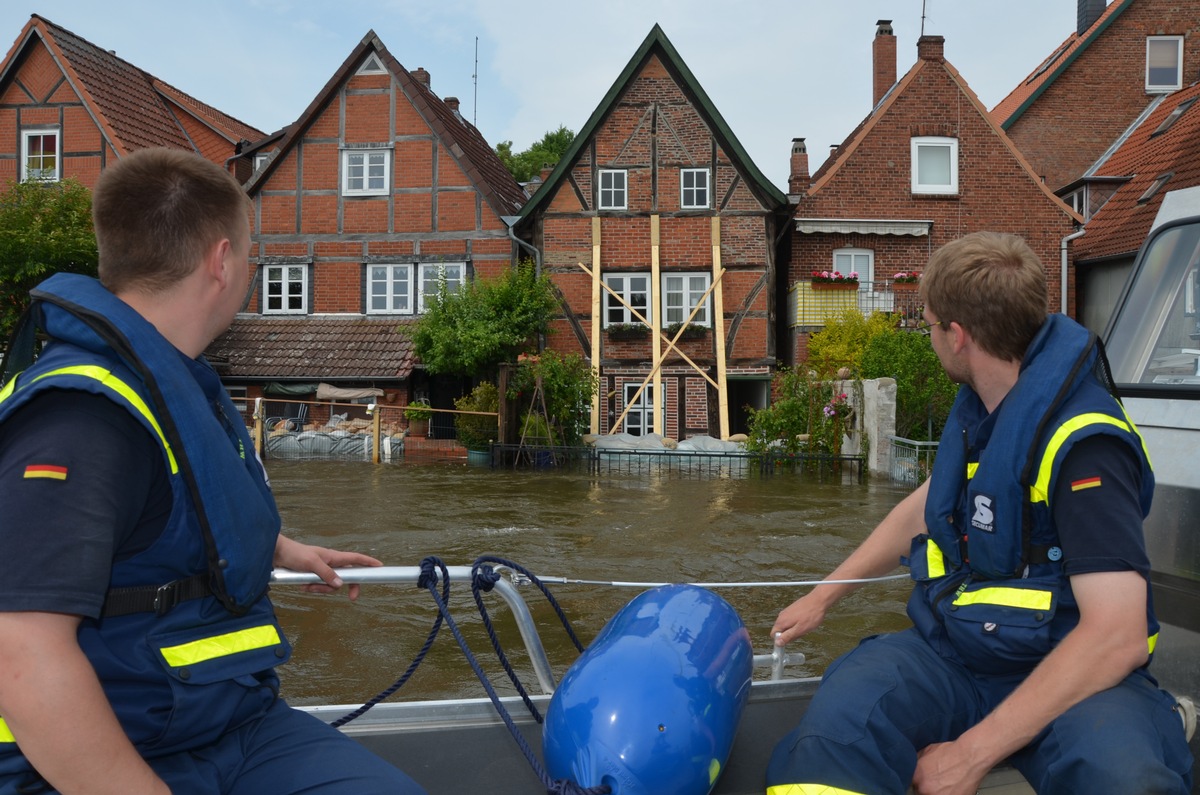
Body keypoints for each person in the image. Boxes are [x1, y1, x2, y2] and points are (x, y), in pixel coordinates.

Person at [0, 147, 426, 794]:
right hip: (112, 750)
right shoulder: (84, 418)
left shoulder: (175, 387)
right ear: (222, 261)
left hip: (229, 723)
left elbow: (169, 512)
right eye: (252, 254)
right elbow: (21, 656)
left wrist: (284, 548)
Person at [765, 232, 1193, 795]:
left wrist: (969, 756)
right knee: (840, 729)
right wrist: (824, 594)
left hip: (1071, 670)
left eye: (929, 324)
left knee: (1122, 777)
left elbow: (1117, 637)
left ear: (958, 336)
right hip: (954, 654)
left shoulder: (1085, 448)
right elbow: (925, 510)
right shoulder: (983, 413)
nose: (930, 337)